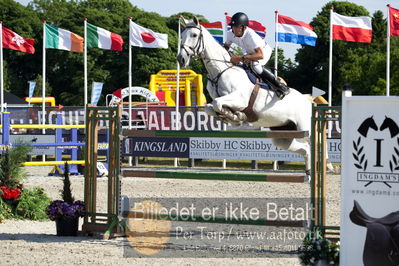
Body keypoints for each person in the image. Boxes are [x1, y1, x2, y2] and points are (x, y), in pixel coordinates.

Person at [224, 12, 290, 99]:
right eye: (233, 26)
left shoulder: (251, 36)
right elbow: (226, 48)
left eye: (237, 27)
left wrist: (240, 58)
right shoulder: (230, 34)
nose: (234, 29)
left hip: (263, 52)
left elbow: (260, 55)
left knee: (255, 65)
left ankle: (280, 86)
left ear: (244, 27)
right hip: (250, 53)